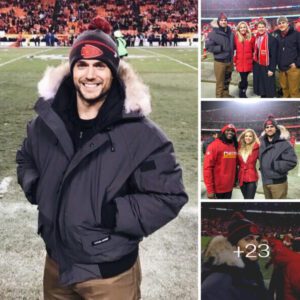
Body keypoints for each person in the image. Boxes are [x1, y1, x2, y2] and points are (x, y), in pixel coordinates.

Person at [16, 17, 188, 299]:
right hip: (56, 266)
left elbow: (169, 196)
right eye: (81, 65)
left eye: (100, 66)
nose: (90, 74)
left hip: (110, 275)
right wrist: (38, 187)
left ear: (114, 72)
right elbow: (25, 158)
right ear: (71, 70)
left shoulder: (142, 135)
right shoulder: (45, 123)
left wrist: (108, 213)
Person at [202, 213, 268, 300]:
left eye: (258, 239)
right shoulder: (220, 280)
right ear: (234, 245)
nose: (256, 244)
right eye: (248, 239)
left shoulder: (252, 268)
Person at [259, 115, 297, 199]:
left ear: (276, 128)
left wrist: (274, 166)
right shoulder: (261, 143)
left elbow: (292, 161)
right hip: (265, 181)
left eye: (272, 126)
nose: (269, 129)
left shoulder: (285, 144)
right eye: (267, 127)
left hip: (278, 183)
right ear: (265, 129)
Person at [203, 124, 238, 199]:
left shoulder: (233, 146)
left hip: (229, 187)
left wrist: (234, 181)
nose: (230, 132)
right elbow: (207, 168)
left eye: (232, 131)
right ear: (223, 132)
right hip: (217, 189)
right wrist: (210, 189)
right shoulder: (214, 146)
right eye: (228, 130)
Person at [206, 13, 234, 98]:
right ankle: (219, 97)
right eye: (221, 20)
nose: (223, 22)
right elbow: (208, 47)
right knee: (220, 82)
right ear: (218, 22)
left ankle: (226, 95)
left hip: (229, 60)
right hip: (220, 62)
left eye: (225, 20)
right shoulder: (213, 33)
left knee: (227, 80)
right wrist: (220, 48)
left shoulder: (230, 32)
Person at [273, 16, 300, 98]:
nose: (281, 25)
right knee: (285, 91)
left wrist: (297, 63)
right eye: (279, 23)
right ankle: (287, 110)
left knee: (294, 91)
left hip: (293, 68)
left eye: (283, 22)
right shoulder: (277, 36)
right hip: (282, 68)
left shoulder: (296, 35)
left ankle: (296, 110)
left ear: (288, 23)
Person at [253, 20, 278, 98]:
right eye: (259, 27)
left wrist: (272, 69)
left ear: (266, 28)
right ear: (257, 28)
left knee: (268, 86)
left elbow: (274, 56)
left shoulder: (272, 39)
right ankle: (262, 97)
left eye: (262, 27)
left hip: (268, 65)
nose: (261, 29)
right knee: (261, 85)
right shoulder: (256, 38)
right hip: (258, 65)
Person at [234, 21, 255, 98]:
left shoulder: (251, 37)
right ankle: (242, 93)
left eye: (244, 27)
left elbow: (254, 50)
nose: (243, 29)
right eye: (241, 27)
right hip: (239, 62)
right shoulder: (236, 38)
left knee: (244, 79)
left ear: (247, 28)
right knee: (244, 79)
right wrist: (234, 61)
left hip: (248, 62)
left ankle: (241, 88)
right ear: (239, 29)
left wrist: (253, 60)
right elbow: (234, 50)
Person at [237, 129, 259, 199]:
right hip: (241, 176)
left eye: (250, 136)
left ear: (253, 138)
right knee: (245, 198)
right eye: (246, 136)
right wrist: (242, 133)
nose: (248, 138)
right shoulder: (239, 147)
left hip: (252, 177)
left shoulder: (256, 147)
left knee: (249, 199)